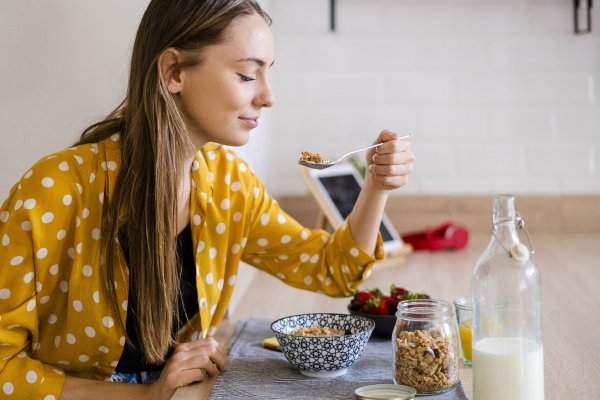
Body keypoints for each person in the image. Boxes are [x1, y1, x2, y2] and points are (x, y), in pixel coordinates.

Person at [0, 0, 414, 399]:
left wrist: (376, 187)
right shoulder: (54, 190)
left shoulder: (229, 184)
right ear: (174, 71)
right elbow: (4, 367)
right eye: (248, 75)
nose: (268, 97)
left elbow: (332, 269)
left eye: (267, 74)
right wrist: (145, 396)